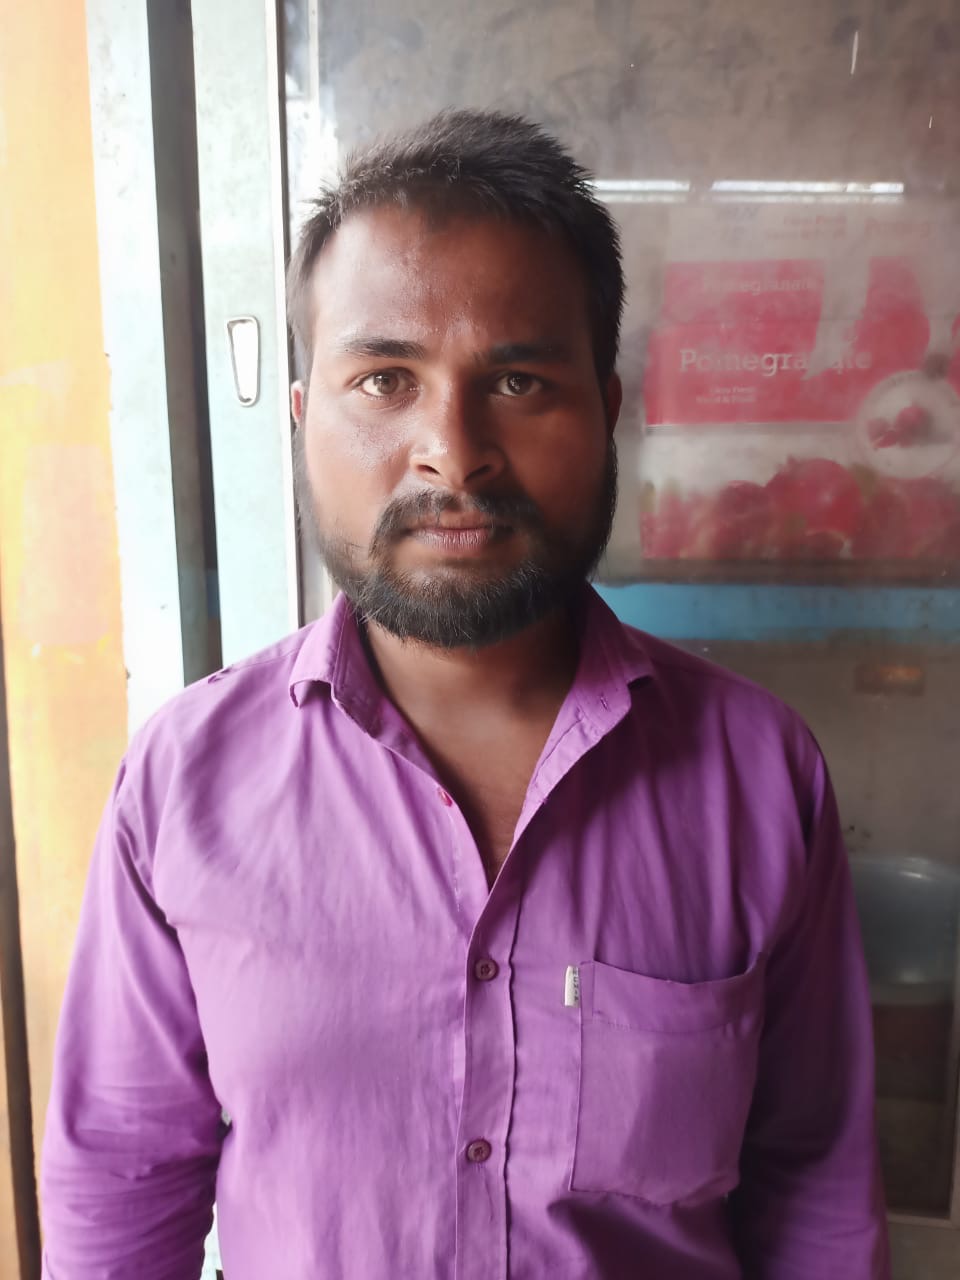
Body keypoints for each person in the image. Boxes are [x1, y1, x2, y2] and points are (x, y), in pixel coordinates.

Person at [41, 109, 890, 1279]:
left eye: (520, 379)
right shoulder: (183, 783)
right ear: (304, 417)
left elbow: (815, 1187)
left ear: (607, 408)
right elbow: (121, 1184)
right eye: (385, 379)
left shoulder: (757, 773)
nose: (453, 449)